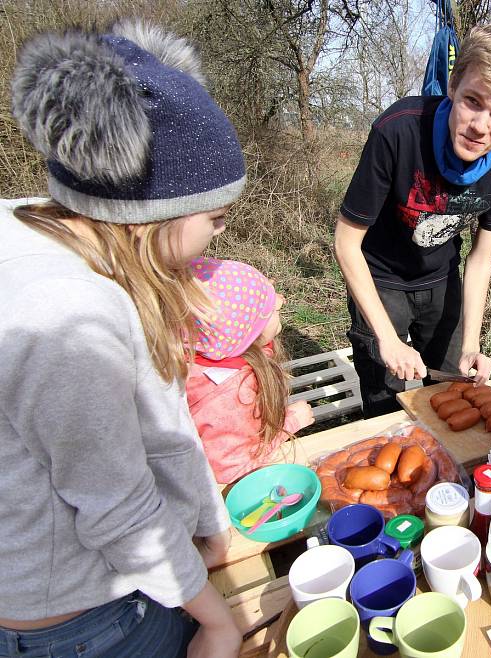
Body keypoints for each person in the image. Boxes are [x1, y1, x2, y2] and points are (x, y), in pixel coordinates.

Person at [1, 20, 247, 658]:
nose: (218, 235)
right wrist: (217, 623)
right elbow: (117, 507)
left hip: (111, 590)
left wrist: (208, 521)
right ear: (149, 218)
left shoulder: (53, 230)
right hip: (85, 624)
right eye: (215, 218)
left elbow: (157, 421)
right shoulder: (66, 317)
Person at [335, 23, 491, 418]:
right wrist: (386, 338)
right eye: (472, 101)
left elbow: (482, 258)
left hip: (442, 277)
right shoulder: (398, 131)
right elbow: (346, 242)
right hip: (380, 278)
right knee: (384, 395)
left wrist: (471, 344)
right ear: (452, 87)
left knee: (451, 388)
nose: (481, 126)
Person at [187, 257, 315, 484]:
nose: (281, 301)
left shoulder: (220, 352)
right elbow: (232, 470)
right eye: (270, 308)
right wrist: (288, 424)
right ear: (248, 331)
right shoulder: (229, 395)